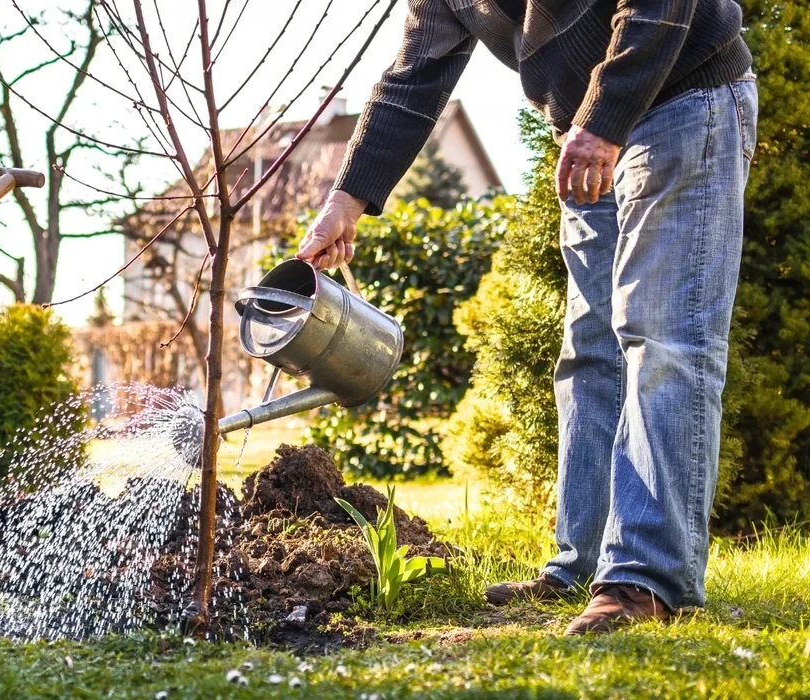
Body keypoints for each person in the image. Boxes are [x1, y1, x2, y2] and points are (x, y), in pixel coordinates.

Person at [297, 0, 756, 635]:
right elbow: (413, 76)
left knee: (661, 338)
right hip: (588, 133)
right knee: (590, 354)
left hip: (680, 98)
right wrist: (345, 202)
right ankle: (580, 564)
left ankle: (647, 577)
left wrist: (603, 120)